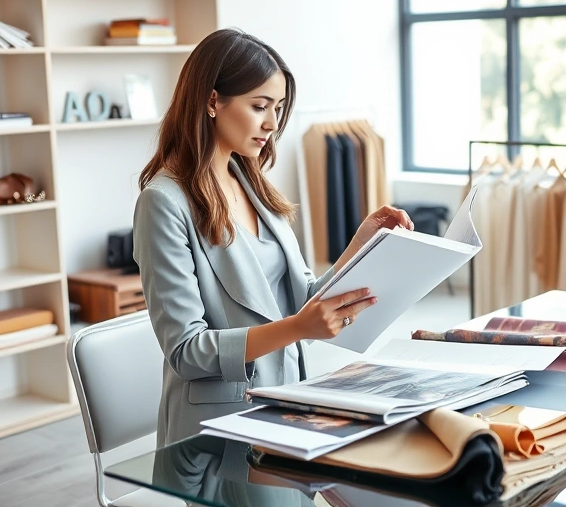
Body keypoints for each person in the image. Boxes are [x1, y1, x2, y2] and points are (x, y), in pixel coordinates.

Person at [133, 28, 414, 446]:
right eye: (259, 106)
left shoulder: (250, 183)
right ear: (212, 101)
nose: (272, 123)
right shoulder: (163, 202)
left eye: (278, 108)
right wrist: (298, 329)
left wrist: (362, 243)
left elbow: (300, 300)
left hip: (287, 402)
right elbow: (187, 352)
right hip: (220, 427)